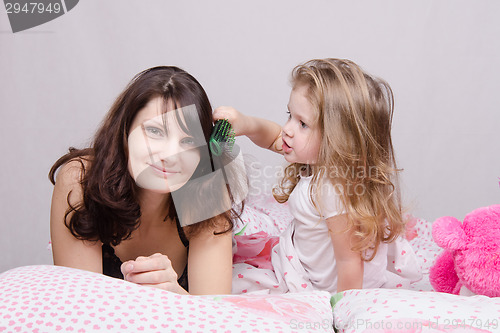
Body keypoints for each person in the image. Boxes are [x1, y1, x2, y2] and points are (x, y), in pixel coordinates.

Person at [214, 58, 421, 294]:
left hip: (316, 283)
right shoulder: (320, 159)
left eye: (302, 123)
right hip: (302, 260)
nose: (288, 129)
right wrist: (245, 123)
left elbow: (349, 261)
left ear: (339, 139)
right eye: (289, 115)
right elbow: (273, 137)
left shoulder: (333, 189)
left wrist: (341, 309)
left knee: (237, 283)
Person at [49, 66, 242, 295]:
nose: (170, 155)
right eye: (155, 131)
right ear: (124, 131)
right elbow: (82, 307)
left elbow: (213, 318)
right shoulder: (80, 180)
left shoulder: (208, 190)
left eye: (189, 141)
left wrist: (176, 297)